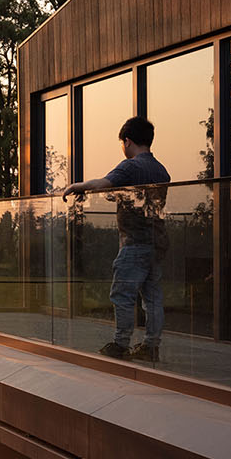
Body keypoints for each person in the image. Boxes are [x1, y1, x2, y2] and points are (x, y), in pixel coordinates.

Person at [61, 116, 171, 362]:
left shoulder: (130, 166)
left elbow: (103, 182)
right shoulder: (161, 170)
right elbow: (140, 200)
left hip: (135, 241)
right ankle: (151, 346)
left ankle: (121, 344)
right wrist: (119, 197)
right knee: (152, 296)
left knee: (122, 293)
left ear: (127, 141)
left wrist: (77, 186)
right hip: (157, 241)